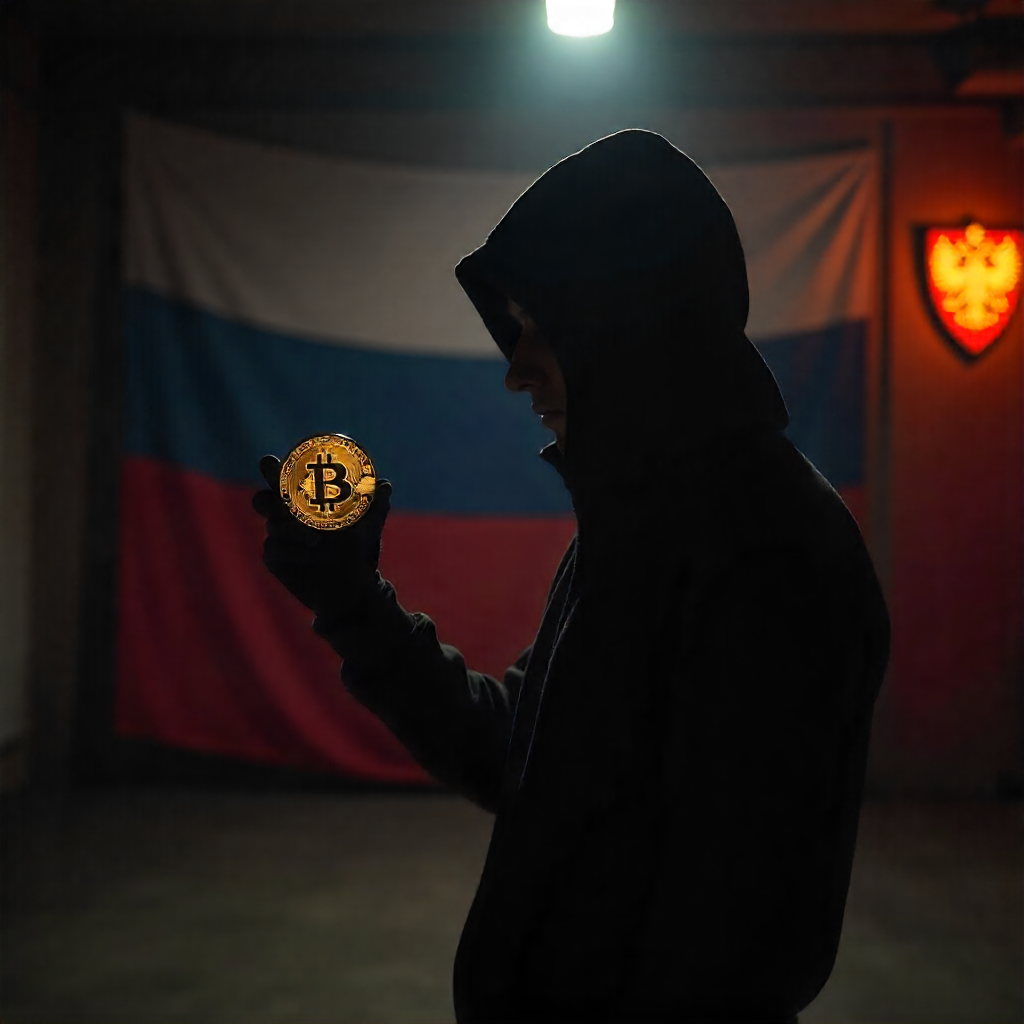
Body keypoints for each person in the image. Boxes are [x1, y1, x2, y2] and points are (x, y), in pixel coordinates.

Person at [252, 129, 890, 1024]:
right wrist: (354, 605)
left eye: (540, 332)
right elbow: (521, 755)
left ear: (628, 332)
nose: (517, 373)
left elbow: (731, 950)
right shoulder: (643, 525)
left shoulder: (771, 553)